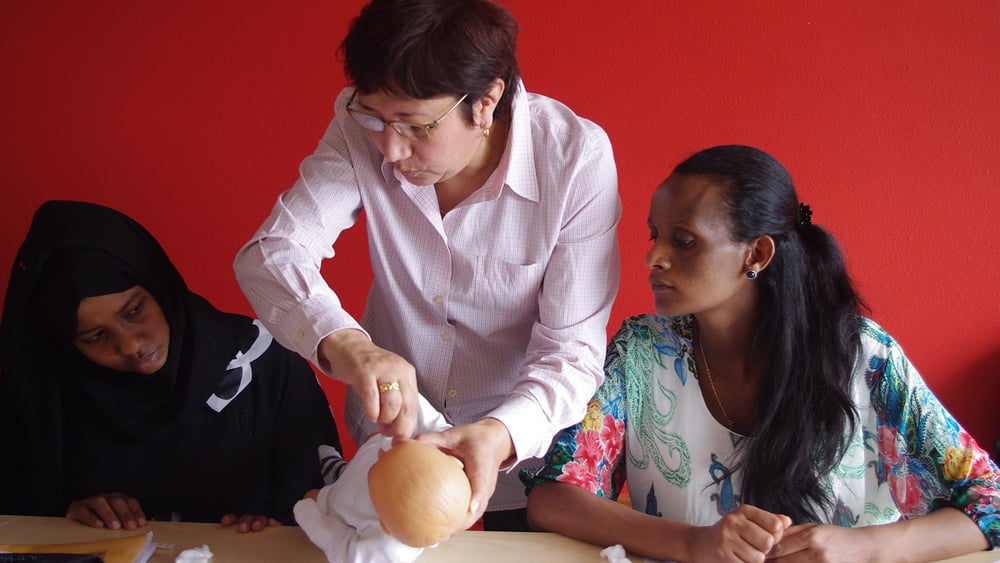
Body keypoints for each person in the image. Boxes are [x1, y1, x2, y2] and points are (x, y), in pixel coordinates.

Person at [233, 0, 620, 531]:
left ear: (485, 102)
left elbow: (572, 350)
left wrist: (501, 432)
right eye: (374, 117)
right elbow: (272, 253)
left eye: (415, 126)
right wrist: (349, 344)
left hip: (524, 442)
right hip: (395, 439)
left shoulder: (575, 159)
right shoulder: (358, 129)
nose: (390, 149)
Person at [521, 145, 1000, 561]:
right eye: (655, 235)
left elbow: (990, 502)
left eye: (683, 241)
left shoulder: (864, 359)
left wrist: (867, 547)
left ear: (756, 254)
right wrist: (692, 544)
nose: (653, 258)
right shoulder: (643, 352)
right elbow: (553, 496)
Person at [0, 200, 342, 533]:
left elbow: (323, 509)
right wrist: (66, 515)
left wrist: (269, 530)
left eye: (134, 311)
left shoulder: (262, 363)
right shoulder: (43, 394)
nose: (130, 346)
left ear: (158, 285)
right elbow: (20, 514)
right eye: (95, 336)